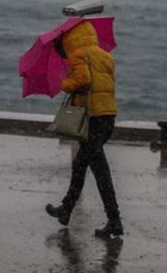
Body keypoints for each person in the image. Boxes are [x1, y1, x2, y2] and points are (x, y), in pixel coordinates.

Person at [45, 20, 123, 237]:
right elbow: (103, 84)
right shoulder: (104, 55)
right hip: (107, 116)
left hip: (92, 119)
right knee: (81, 164)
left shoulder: (78, 55)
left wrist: (65, 84)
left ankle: (114, 220)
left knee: (100, 171)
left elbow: (83, 80)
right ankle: (66, 209)